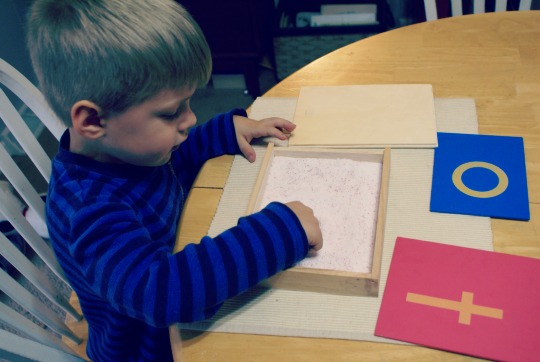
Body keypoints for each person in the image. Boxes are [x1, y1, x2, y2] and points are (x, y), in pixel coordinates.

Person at [27, 0, 323, 360]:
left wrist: (223, 131)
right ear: (92, 121)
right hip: (148, 345)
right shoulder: (89, 209)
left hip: (177, 263)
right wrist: (279, 232)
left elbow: (169, 161)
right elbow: (162, 292)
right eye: (171, 112)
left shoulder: (127, 148)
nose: (190, 119)